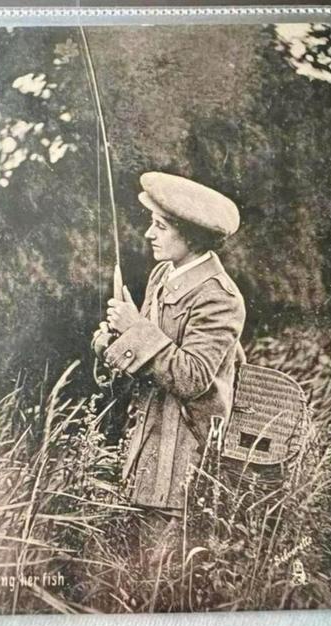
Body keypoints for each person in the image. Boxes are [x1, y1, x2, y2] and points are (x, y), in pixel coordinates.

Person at [92, 171, 246, 549]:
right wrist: (114, 338)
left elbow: (193, 378)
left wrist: (136, 331)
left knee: (165, 580)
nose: (150, 234)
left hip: (185, 460)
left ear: (191, 236)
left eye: (161, 226)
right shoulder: (164, 274)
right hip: (147, 450)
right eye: (152, 224)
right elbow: (148, 359)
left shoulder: (219, 297)